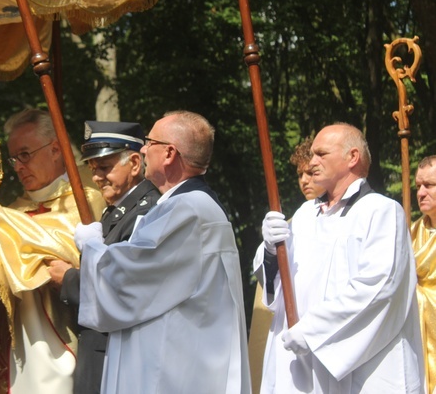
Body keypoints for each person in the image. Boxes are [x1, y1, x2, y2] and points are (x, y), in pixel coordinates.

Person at [76, 110, 250, 394]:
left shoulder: (188, 210)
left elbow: (128, 281)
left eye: (149, 142)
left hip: (171, 373)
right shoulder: (186, 206)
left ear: (169, 153)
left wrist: (92, 246)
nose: (143, 148)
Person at [0, 108, 106, 394]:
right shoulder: (11, 212)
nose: (18, 166)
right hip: (7, 348)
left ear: (55, 149)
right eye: (14, 158)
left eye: (25, 154)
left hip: (59, 340)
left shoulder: (88, 202)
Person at [256, 123, 423, 393]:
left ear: (352, 157)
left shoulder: (381, 212)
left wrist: (311, 331)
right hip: (301, 365)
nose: (311, 162)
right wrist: (271, 251)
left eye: (321, 154)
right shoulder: (304, 215)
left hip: (364, 367)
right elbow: (279, 284)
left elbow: (378, 287)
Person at [46, 121, 160, 394]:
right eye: (93, 168)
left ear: (134, 163)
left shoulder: (148, 213)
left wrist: (69, 279)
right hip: (100, 350)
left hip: (119, 355)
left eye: (105, 167)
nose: (96, 177)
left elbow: (126, 286)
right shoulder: (117, 211)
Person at [247, 135, 326, 393]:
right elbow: (269, 289)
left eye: (310, 173)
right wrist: (269, 249)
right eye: (299, 174)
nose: (304, 180)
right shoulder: (291, 224)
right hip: (286, 343)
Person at [411, 155, 436, 393]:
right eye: (418, 186)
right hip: (416, 335)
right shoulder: (410, 231)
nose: (420, 193)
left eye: (429, 185)